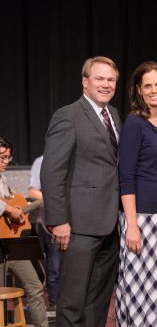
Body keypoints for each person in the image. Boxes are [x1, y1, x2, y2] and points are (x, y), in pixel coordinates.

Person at [40, 56, 121, 327]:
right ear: (85, 82)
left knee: (98, 303)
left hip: (110, 226)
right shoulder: (68, 116)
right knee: (72, 302)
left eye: (111, 80)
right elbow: (52, 172)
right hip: (77, 226)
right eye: (100, 79)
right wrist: (57, 221)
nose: (106, 85)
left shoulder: (115, 116)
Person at [115, 61, 157, 326]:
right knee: (138, 293)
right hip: (141, 220)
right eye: (148, 86)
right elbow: (126, 178)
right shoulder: (134, 124)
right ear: (139, 91)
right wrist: (131, 226)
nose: (154, 90)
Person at [0, 136, 49, 327]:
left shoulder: (3, 180)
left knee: (35, 286)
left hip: (11, 246)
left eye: (8, 157)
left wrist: (20, 210)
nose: (5, 162)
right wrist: (9, 209)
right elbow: (7, 207)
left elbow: (14, 205)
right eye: (2, 157)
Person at [28, 155, 60, 311]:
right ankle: (52, 304)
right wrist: (55, 199)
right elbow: (33, 191)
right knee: (52, 266)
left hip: (71, 221)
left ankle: (60, 304)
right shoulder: (41, 161)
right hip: (48, 222)